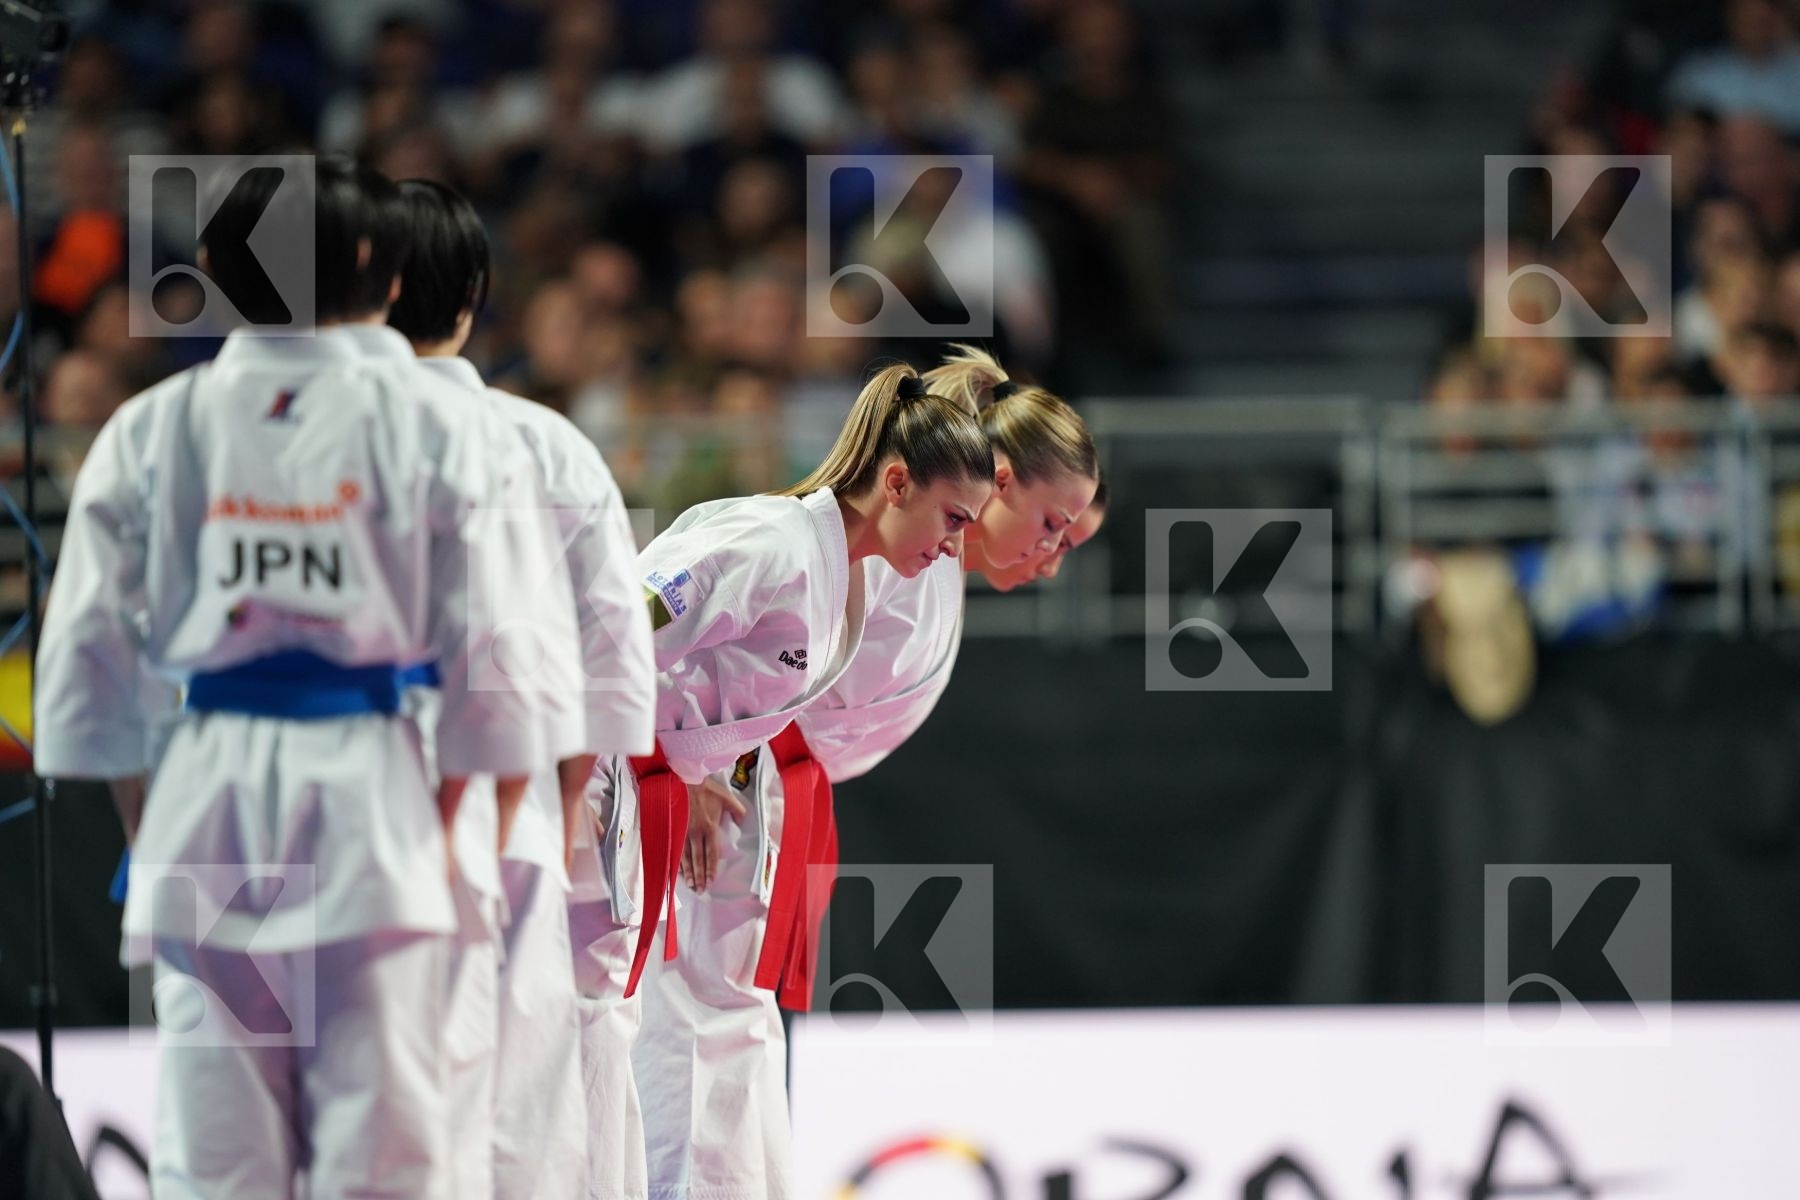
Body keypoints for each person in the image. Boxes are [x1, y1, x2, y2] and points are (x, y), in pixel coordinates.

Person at [33, 156, 585, 1199]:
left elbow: (90, 674)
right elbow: (498, 655)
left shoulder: (151, 427)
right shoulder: (446, 423)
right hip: (378, 803)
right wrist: (461, 831)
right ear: (378, 271)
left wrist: (155, 828)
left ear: (209, 271)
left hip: (207, 801)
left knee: (218, 1149)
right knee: (384, 1145)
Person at [629, 348, 1097, 1200]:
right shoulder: (860, 551)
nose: (1053, 556)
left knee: (735, 1021)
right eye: (1052, 525)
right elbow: (649, 637)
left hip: (751, 789)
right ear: (993, 480)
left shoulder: (925, 564)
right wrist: (681, 765)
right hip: (708, 785)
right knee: (687, 1020)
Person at [575, 362, 994, 1200]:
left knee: (636, 1021)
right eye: (951, 519)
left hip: (651, 788)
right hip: (596, 777)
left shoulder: (846, 573)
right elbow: (607, 631)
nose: (954, 546)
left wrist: (699, 769)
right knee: (599, 1022)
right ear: (896, 480)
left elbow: (717, 693)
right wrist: (672, 764)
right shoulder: (766, 542)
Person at [386, 177, 658, 1200]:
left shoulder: (287, 442)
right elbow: (618, 671)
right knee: (523, 1105)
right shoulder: (548, 444)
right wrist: (567, 821)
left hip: (332, 800)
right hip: (516, 808)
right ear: (474, 298)